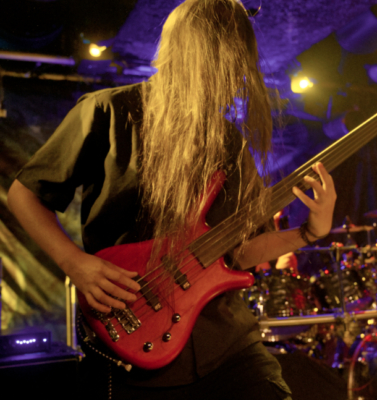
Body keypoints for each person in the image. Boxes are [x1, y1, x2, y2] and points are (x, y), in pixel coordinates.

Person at [7, 0, 336, 399]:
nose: (236, 76)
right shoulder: (107, 111)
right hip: (132, 338)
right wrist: (75, 264)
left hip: (226, 344)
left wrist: (308, 232)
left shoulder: (229, 140)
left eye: (240, 63)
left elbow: (239, 253)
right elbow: (25, 193)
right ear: (190, 53)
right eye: (226, 62)